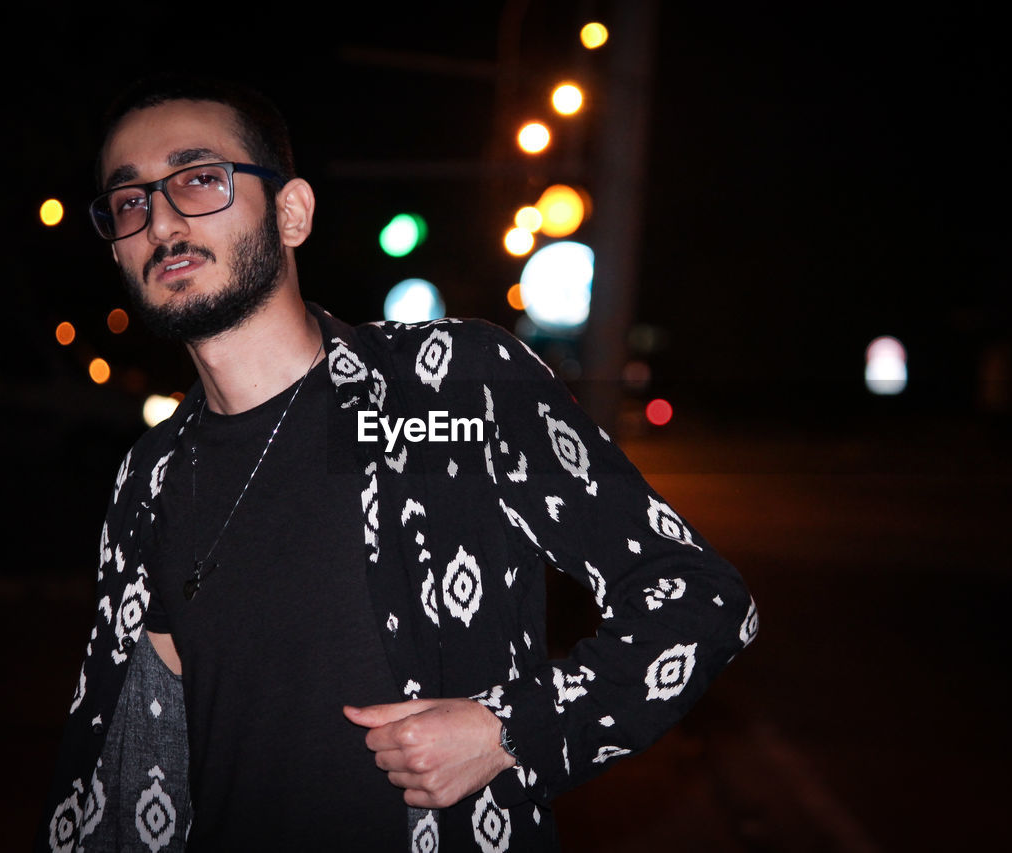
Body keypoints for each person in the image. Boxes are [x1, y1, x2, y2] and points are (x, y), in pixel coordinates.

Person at [38, 74, 758, 853]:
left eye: (200, 179)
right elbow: (147, 747)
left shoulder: (452, 386)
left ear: (291, 211)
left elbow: (699, 600)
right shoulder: (150, 478)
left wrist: (508, 729)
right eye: (131, 200)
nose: (163, 219)